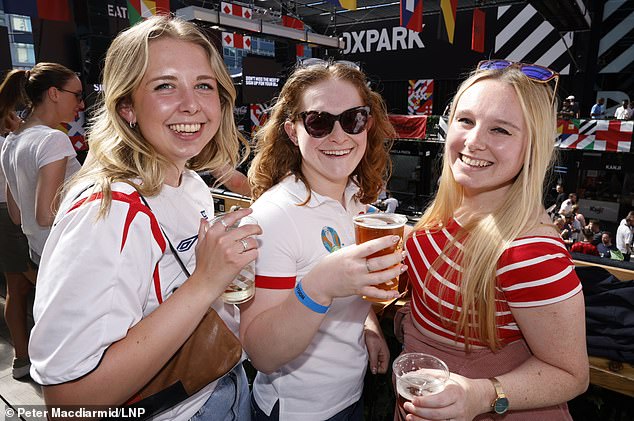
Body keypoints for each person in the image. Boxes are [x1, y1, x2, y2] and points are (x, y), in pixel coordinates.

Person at [28, 16, 259, 420]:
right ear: (127, 106)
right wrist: (206, 282)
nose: (192, 104)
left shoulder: (190, 184)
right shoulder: (107, 210)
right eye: (165, 85)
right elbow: (68, 404)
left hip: (223, 386)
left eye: (204, 85)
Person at [398, 60, 588, 420]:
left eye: (500, 130)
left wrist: (480, 394)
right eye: (465, 120)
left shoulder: (530, 253)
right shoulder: (449, 211)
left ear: (531, 147)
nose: (473, 141)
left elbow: (572, 375)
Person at [242, 59, 403, 420]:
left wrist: (368, 324)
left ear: (368, 124)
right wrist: (320, 286)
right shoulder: (274, 216)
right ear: (291, 131)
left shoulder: (358, 197)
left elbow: (349, 287)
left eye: (352, 119)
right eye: (318, 122)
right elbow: (262, 353)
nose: (339, 136)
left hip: (352, 394)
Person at [0, 62, 83, 266]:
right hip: (69, 253)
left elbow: (17, 215)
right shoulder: (53, 139)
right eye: (77, 95)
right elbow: (45, 216)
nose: (81, 105)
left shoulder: (11, 140)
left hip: (40, 253)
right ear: (54, 93)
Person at [0, 111, 37, 379]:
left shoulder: (12, 140)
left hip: (13, 213)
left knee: (18, 287)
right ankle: (27, 358)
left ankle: (23, 358)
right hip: (10, 215)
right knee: (42, 285)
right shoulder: (13, 141)